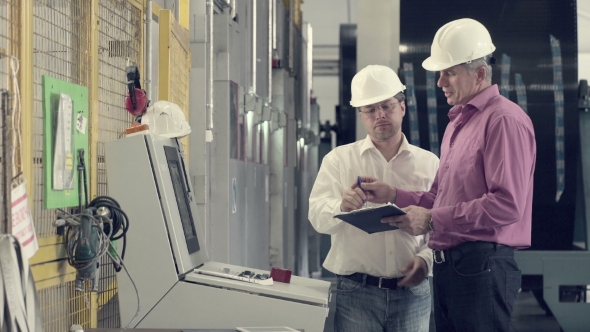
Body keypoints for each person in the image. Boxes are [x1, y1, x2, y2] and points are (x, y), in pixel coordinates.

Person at [360, 18, 536, 332]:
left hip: (482, 267)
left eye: (449, 73)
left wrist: (432, 219)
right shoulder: (458, 123)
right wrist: (394, 195)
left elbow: (507, 205)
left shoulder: (504, 120)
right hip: (452, 269)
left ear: (479, 73)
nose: (440, 82)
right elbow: (438, 198)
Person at [308, 65, 439, 332]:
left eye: (386, 106)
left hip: (412, 293)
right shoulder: (339, 160)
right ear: (361, 115)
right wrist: (341, 206)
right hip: (356, 293)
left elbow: (442, 224)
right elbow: (317, 218)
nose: (379, 115)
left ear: (402, 107)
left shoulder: (430, 164)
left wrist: (426, 258)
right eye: (369, 109)